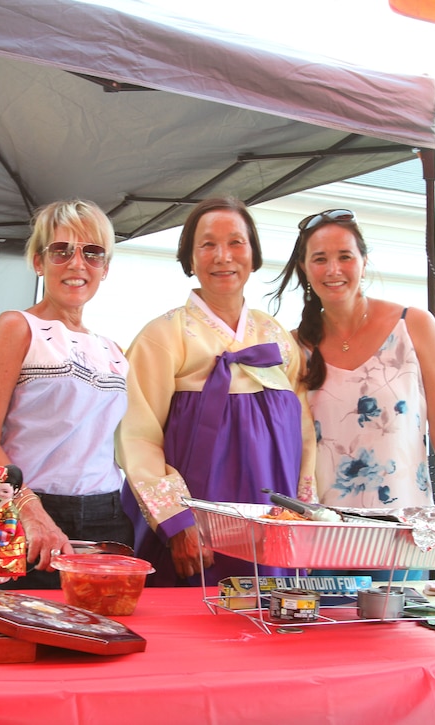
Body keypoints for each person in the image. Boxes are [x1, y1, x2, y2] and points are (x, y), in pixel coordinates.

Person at [117, 196, 316, 587]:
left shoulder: (277, 337)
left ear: (254, 255)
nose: (223, 256)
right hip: (198, 531)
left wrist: (303, 513)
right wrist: (177, 521)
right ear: (189, 259)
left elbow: (306, 437)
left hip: (272, 526)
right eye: (207, 244)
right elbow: (137, 438)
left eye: (236, 243)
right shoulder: (162, 336)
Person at [0, 199, 131, 589]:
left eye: (92, 252)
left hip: (108, 518)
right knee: (25, 640)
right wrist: (29, 511)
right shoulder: (17, 327)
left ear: (105, 268)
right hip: (28, 513)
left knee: (102, 640)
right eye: (61, 250)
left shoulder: (114, 349)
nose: (77, 263)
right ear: (39, 262)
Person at [269, 208, 435, 512]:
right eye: (320, 259)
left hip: (405, 531)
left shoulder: (414, 326)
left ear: (364, 261)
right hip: (325, 535)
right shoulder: (295, 346)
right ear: (305, 268)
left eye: (345, 256)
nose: (333, 269)